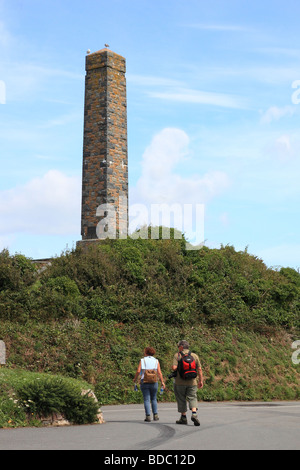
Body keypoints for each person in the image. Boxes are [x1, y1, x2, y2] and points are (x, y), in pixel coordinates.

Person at [172, 340, 203, 426]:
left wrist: (178, 366)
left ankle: (183, 417)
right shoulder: (194, 356)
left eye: (178, 346)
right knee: (192, 397)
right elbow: (199, 369)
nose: (178, 348)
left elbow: (174, 367)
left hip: (179, 382)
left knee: (181, 398)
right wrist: (201, 380)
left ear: (181, 347)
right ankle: (194, 414)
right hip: (192, 381)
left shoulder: (177, 355)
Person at [133, 347, 165, 422]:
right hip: (154, 382)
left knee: (146, 399)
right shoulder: (156, 361)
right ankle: (156, 415)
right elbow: (159, 372)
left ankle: (148, 416)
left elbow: (138, 371)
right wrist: (162, 381)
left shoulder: (142, 360)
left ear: (146, 352)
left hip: (144, 381)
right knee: (154, 398)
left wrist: (135, 378)